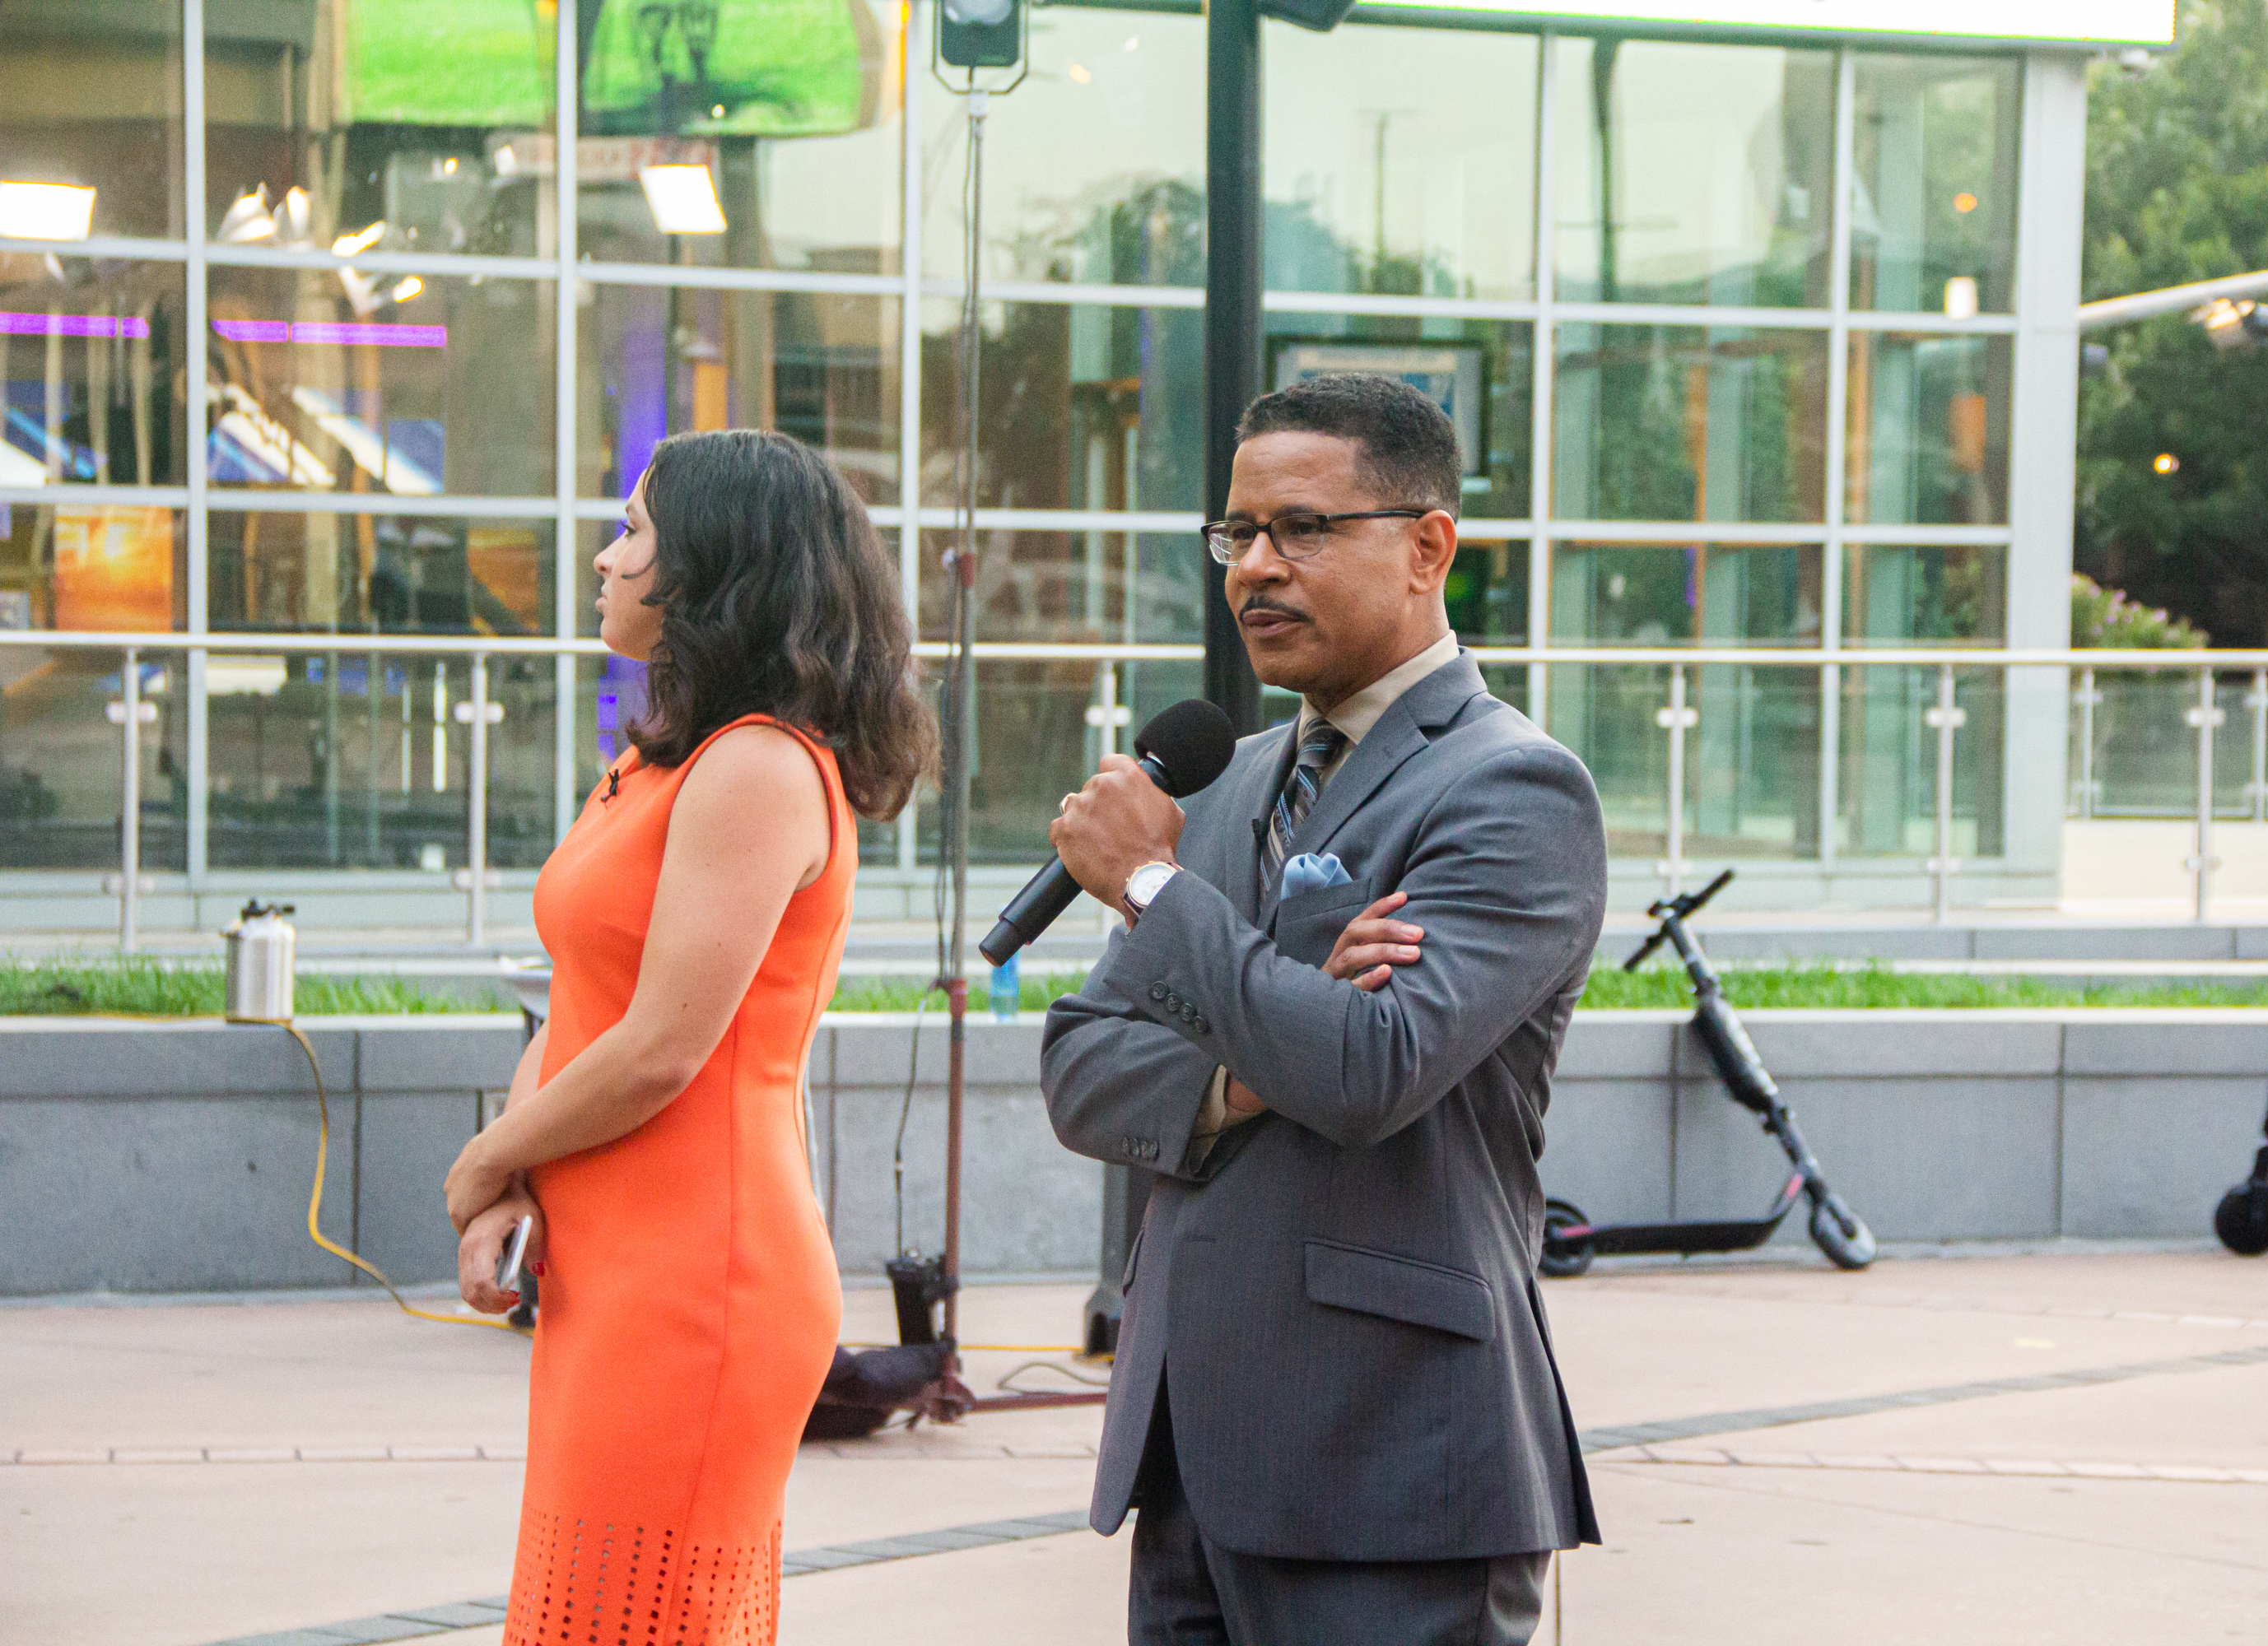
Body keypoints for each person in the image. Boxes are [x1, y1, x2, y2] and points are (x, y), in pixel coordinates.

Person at [1041, 373, 1608, 1645]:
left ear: (1427, 546)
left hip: (1396, 1470)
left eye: (1302, 528)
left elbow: (1368, 1069)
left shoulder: (1513, 790)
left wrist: (1146, 885)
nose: (1256, 567)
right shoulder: (1229, 782)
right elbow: (1082, 1065)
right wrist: (1257, 1060)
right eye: (1238, 533)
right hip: (1189, 1463)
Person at [441, 429, 935, 1645]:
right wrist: (518, 1176)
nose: (605, 561)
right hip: (616, 1266)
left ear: (712, 570)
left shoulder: (758, 768)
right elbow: (582, 1003)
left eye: (633, 534)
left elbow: (664, 1047)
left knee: (629, 1622)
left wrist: (483, 1162)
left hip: (699, 1279)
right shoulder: (663, 764)